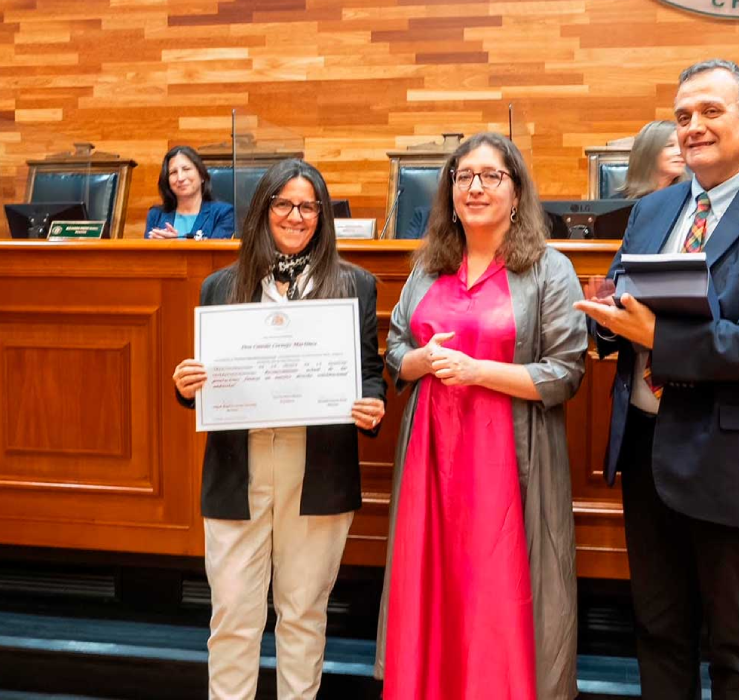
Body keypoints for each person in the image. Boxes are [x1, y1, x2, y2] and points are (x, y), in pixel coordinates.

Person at [574, 59, 739, 699]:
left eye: (711, 112)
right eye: (683, 115)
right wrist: (605, 324)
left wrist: (657, 339)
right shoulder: (653, 209)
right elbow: (627, 303)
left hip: (730, 458)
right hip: (647, 451)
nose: (693, 127)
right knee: (658, 632)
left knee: (735, 645)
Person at [375, 132, 587, 700]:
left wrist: (477, 372)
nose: (475, 186)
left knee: (498, 593)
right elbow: (396, 348)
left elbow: (566, 373)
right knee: (435, 588)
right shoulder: (427, 267)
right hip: (432, 463)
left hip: (508, 465)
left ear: (516, 193)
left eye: (491, 175)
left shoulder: (549, 270)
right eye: (463, 176)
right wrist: (419, 360)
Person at [171, 159, 386, 699]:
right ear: (263, 210)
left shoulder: (354, 285)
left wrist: (373, 405)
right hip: (237, 467)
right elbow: (208, 377)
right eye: (283, 204)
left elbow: (369, 371)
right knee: (234, 618)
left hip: (318, 468)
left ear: (323, 214)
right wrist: (186, 383)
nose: (296, 216)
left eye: (308, 205)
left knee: (304, 614)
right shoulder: (219, 287)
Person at [146, 145, 234, 239]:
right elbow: (146, 253)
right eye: (173, 172)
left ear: (202, 175)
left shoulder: (224, 213)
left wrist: (173, 246)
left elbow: (216, 253)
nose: (180, 178)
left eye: (186, 169)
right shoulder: (156, 215)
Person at [616, 120, 686, 199]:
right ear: (648, 152)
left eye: (682, 145)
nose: (680, 152)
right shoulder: (618, 205)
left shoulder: (693, 199)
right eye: (669, 145)